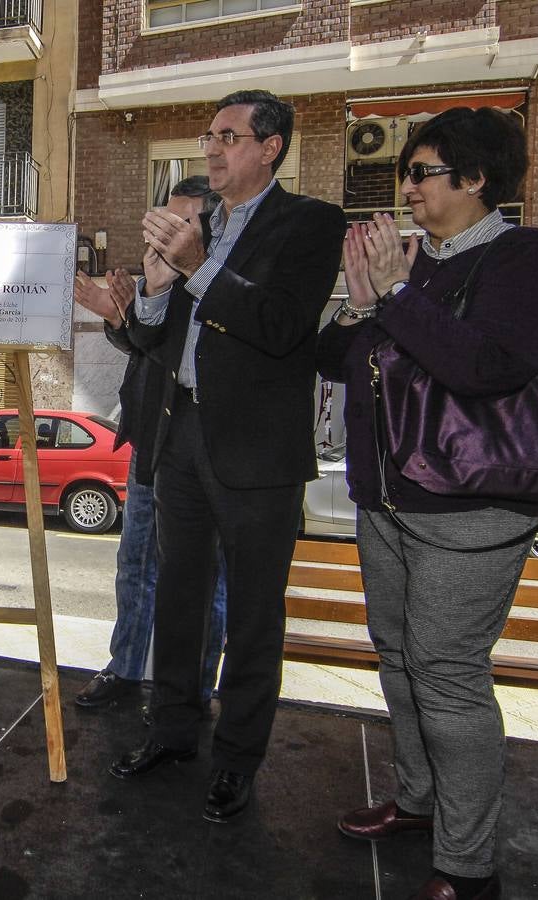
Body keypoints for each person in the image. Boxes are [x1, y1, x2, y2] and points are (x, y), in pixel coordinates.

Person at [317, 107, 538, 900]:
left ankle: (468, 865)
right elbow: (338, 363)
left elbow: (486, 366)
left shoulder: (520, 255)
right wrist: (360, 298)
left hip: (470, 507)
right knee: (399, 659)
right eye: (406, 174)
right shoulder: (411, 266)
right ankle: (419, 803)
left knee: (449, 675)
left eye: (420, 172)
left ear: (476, 179)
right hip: (387, 497)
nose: (406, 188)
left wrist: (395, 293)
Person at [112, 90, 346, 825]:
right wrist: (152, 291)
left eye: (229, 137)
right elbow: (157, 340)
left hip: (257, 453)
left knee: (250, 617)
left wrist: (197, 266)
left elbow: (280, 328)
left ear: (271, 147)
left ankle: (237, 761)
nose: (211, 149)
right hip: (182, 439)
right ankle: (173, 731)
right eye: (208, 136)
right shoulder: (199, 224)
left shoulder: (309, 223)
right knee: (176, 601)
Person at [72, 176, 227, 714]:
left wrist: (133, 313)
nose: (164, 232)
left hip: (205, 448)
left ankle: (196, 688)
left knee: (209, 581)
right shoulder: (156, 273)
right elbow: (145, 347)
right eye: (162, 220)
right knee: (134, 564)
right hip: (150, 439)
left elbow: (188, 355)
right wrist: (118, 316)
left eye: (180, 221)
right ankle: (125, 668)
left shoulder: (217, 279)